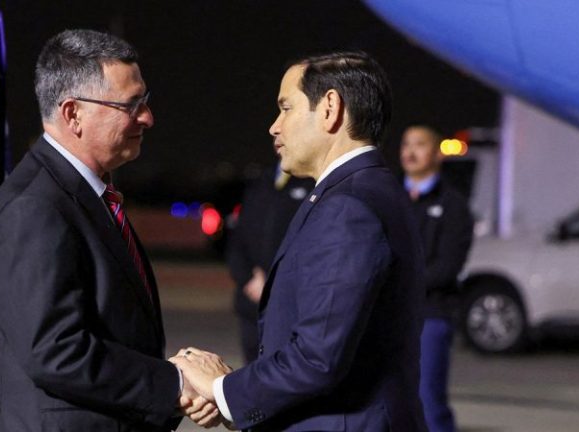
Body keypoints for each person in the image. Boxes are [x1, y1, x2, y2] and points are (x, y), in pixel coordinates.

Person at [0, 29, 217, 431]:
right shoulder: (34, 208)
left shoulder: (82, 195)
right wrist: (174, 383)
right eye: (131, 105)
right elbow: (56, 351)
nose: (147, 117)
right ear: (73, 114)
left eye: (145, 100)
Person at [171, 52, 428, 431]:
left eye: (286, 108)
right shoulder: (369, 189)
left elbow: (317, 357)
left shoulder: (347, 207)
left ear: (330, 109)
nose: (274, 127)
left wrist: (221, 389)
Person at [400, 124, 474, 432]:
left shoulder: (452, 205)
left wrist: (398, 285)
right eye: (406, 144)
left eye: (419, 144)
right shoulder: (389, 198)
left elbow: (448, 266)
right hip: (387, 315)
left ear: (436, 153)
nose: (410, 152)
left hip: (430, 315)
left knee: (427, 401)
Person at [226, 160, 314, 364]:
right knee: (251, 368)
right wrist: (247, 278)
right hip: (252, 302)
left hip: (289, 305)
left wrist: (274, 285)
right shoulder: (259, 182)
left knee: (283, 369)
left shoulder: (314, 182)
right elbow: (237, 241)